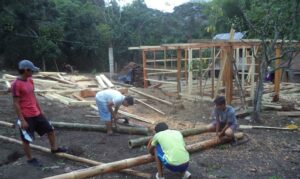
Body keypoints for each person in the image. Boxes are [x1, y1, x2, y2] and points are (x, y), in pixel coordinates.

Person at [11, 59, 67, 167]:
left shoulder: (30, 80)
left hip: (36, 113)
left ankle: (54, 149)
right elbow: (16, 103)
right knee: (27, 139)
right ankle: (30, 159)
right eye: (31, 71)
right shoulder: (16, 84)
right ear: (26, 70)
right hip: (26, 116)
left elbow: (33, 96)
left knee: (50, 130)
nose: (32, 73)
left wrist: (40, 110)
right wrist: (22, 120)